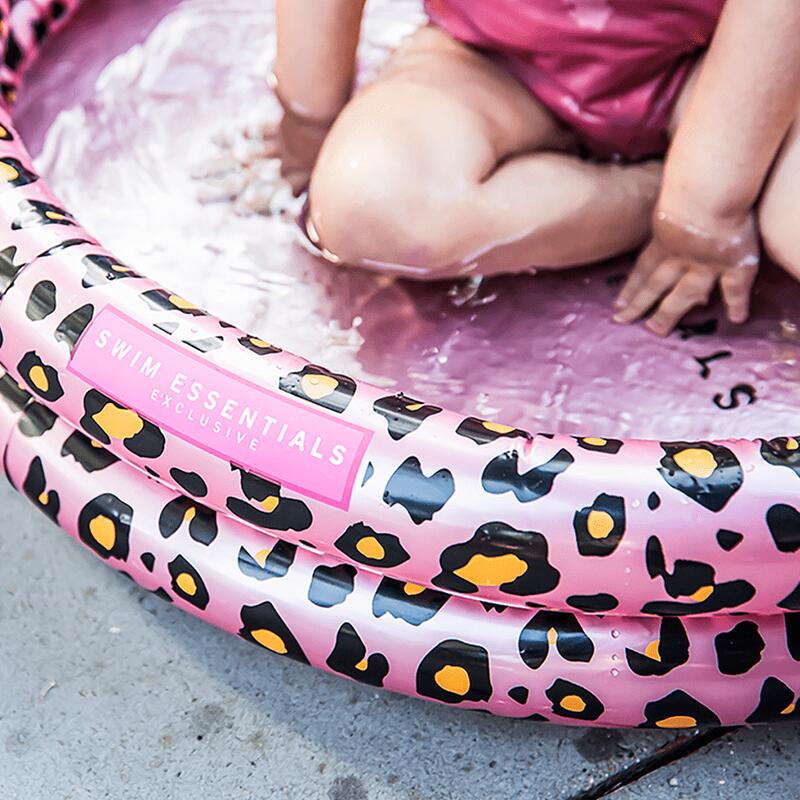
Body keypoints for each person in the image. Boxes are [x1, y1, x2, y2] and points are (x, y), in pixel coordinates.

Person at [264, 0, 800, 335]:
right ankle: (644, 194)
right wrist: (310, 117)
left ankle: (702, 196)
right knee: (371, 202)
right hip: (488, 60)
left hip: (727, 77)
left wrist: (707, 204)